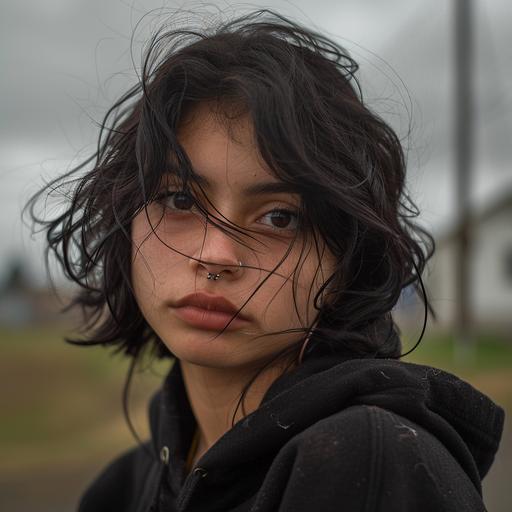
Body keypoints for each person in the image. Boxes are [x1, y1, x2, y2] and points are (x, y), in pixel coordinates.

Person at [26, 9, 504, 512]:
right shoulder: (122, 488)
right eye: (180, 201)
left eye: (279, 217)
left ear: (346, 257)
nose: (216, 256)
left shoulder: (362, 459)